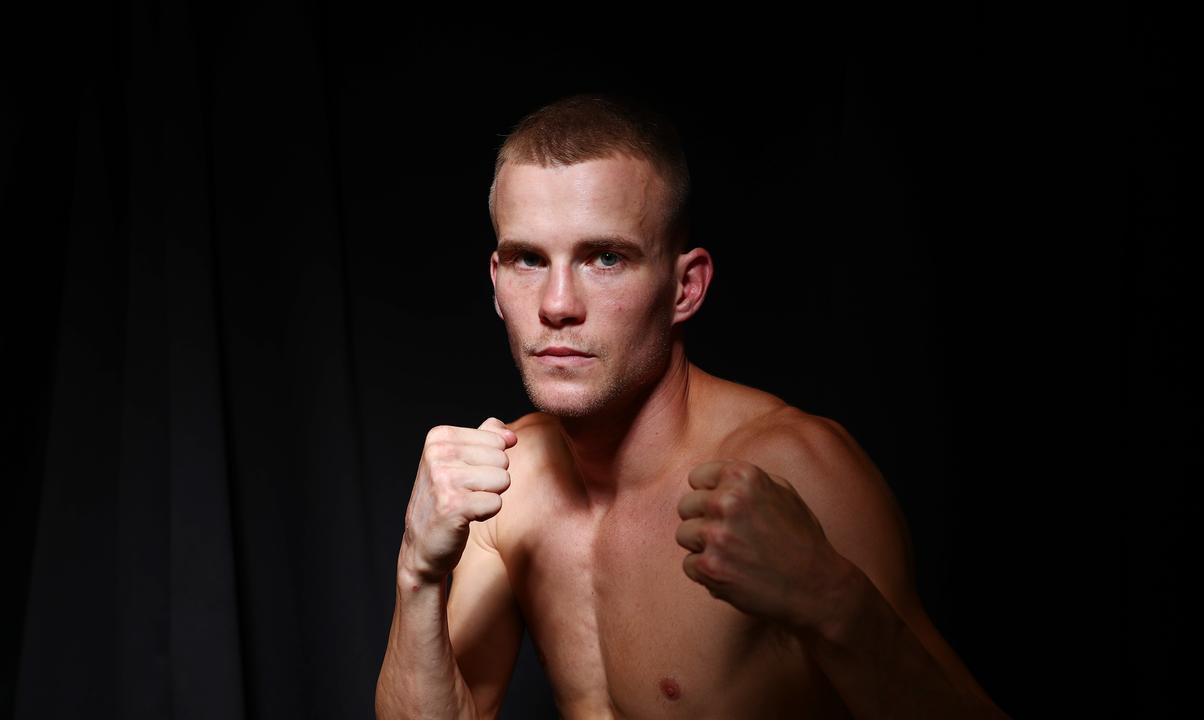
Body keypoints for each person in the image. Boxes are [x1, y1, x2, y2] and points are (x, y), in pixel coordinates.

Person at [375, 93, 1008, 719]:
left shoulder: (798, 468)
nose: (557, 304)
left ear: (686, 287)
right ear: (495, 283)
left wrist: (832, 600)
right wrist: (416, 573)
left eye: (605, 258)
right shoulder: (511, 485)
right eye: (528, 259)